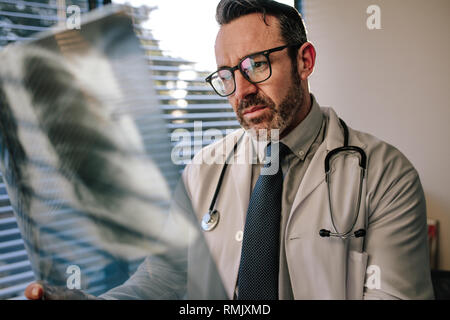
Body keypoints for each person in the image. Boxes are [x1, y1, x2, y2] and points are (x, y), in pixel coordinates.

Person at [25, 0, 434, 300]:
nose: (242, 91)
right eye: (227, 75)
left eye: (257, 64)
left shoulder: (385, 175)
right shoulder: (202, 171)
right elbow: (163, 281)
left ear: (305, 60)